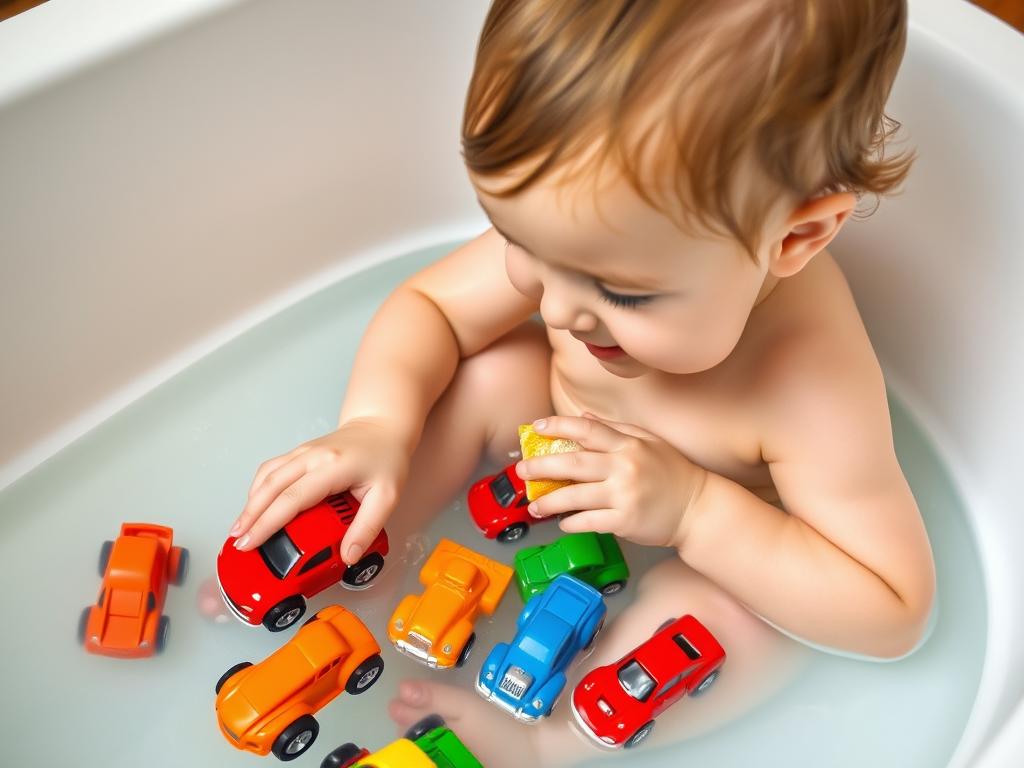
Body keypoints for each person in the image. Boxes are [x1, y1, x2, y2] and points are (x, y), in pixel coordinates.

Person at [228, 1, 935, 763]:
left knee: (734, 622)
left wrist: (696, 513)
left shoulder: (808, 382)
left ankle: (556, 742)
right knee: (492, 371)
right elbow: (431, 306)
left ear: (794, 237)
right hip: (559, 447)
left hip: (721, 546)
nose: (557, 307)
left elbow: (891, 610)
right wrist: (377, 426)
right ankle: (356, 564)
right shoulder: (597, 238)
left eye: (621, 292)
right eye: (522, 244)